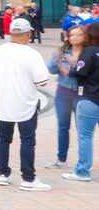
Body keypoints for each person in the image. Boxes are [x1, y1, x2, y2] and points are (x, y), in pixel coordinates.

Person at [0, 18, 51, 191]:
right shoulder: (32, 54)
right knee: (27, 140)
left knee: (3, 138)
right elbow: (42, 81)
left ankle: (2, 174)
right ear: (28, 34)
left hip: (3, 102)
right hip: (25, 103)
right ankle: (28, 178)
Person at [45, 26, 84, 170]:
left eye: (79, 34)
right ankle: (61, 159)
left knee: (82, 129)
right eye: (72, 35)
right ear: (67, 37)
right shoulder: (62, 52)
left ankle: (83, 160)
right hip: (63, 93)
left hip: (82, 95)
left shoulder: (89, 52)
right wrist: (56, 59)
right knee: (63, 126)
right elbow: (50, 69)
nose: (75, 37)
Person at [64, 22, 99, 182]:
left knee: (85, 136)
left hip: (89, 98)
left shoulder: (89, 51)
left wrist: (72, 66)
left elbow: (78, 73)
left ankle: (82, 171)